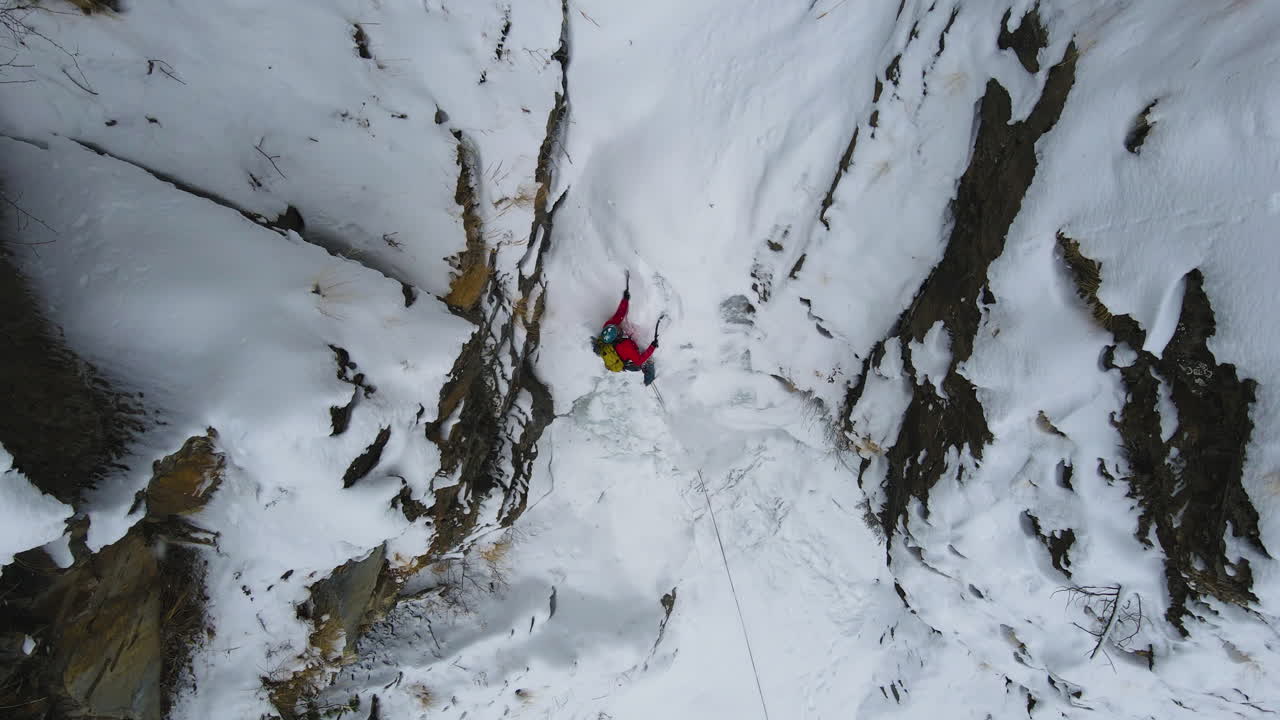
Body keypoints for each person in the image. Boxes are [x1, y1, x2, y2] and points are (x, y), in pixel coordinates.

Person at [598, 273, 658, 385]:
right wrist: (652, 347)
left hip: (615, 355)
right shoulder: (626, 346)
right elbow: (639, 360)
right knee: (640, 366)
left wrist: (625, 300)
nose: (618, 328)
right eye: (618, 330)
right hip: (623, 361)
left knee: (637, 364)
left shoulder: (609, 326)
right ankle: (648, 377)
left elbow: (619, 314)